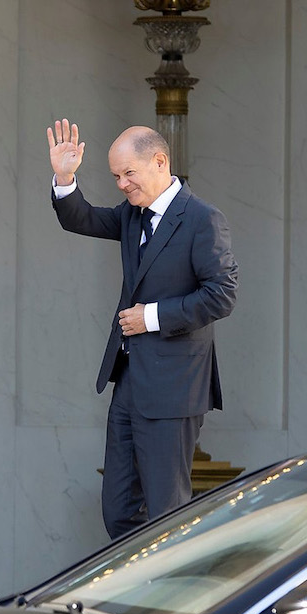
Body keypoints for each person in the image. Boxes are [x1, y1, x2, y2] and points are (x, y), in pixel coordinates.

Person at [46, 119, 238, 539]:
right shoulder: (132, 216)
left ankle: (166, 605)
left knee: (167, 517)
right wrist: (64, 178)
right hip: (129, 382)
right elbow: (84, 219)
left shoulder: (203, 219)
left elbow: (222, 294)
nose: (121, 185)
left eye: (128, 174)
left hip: (175, 386)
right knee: (117, 511)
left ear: (159, 162)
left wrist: (151, 316)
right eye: (115, 176)